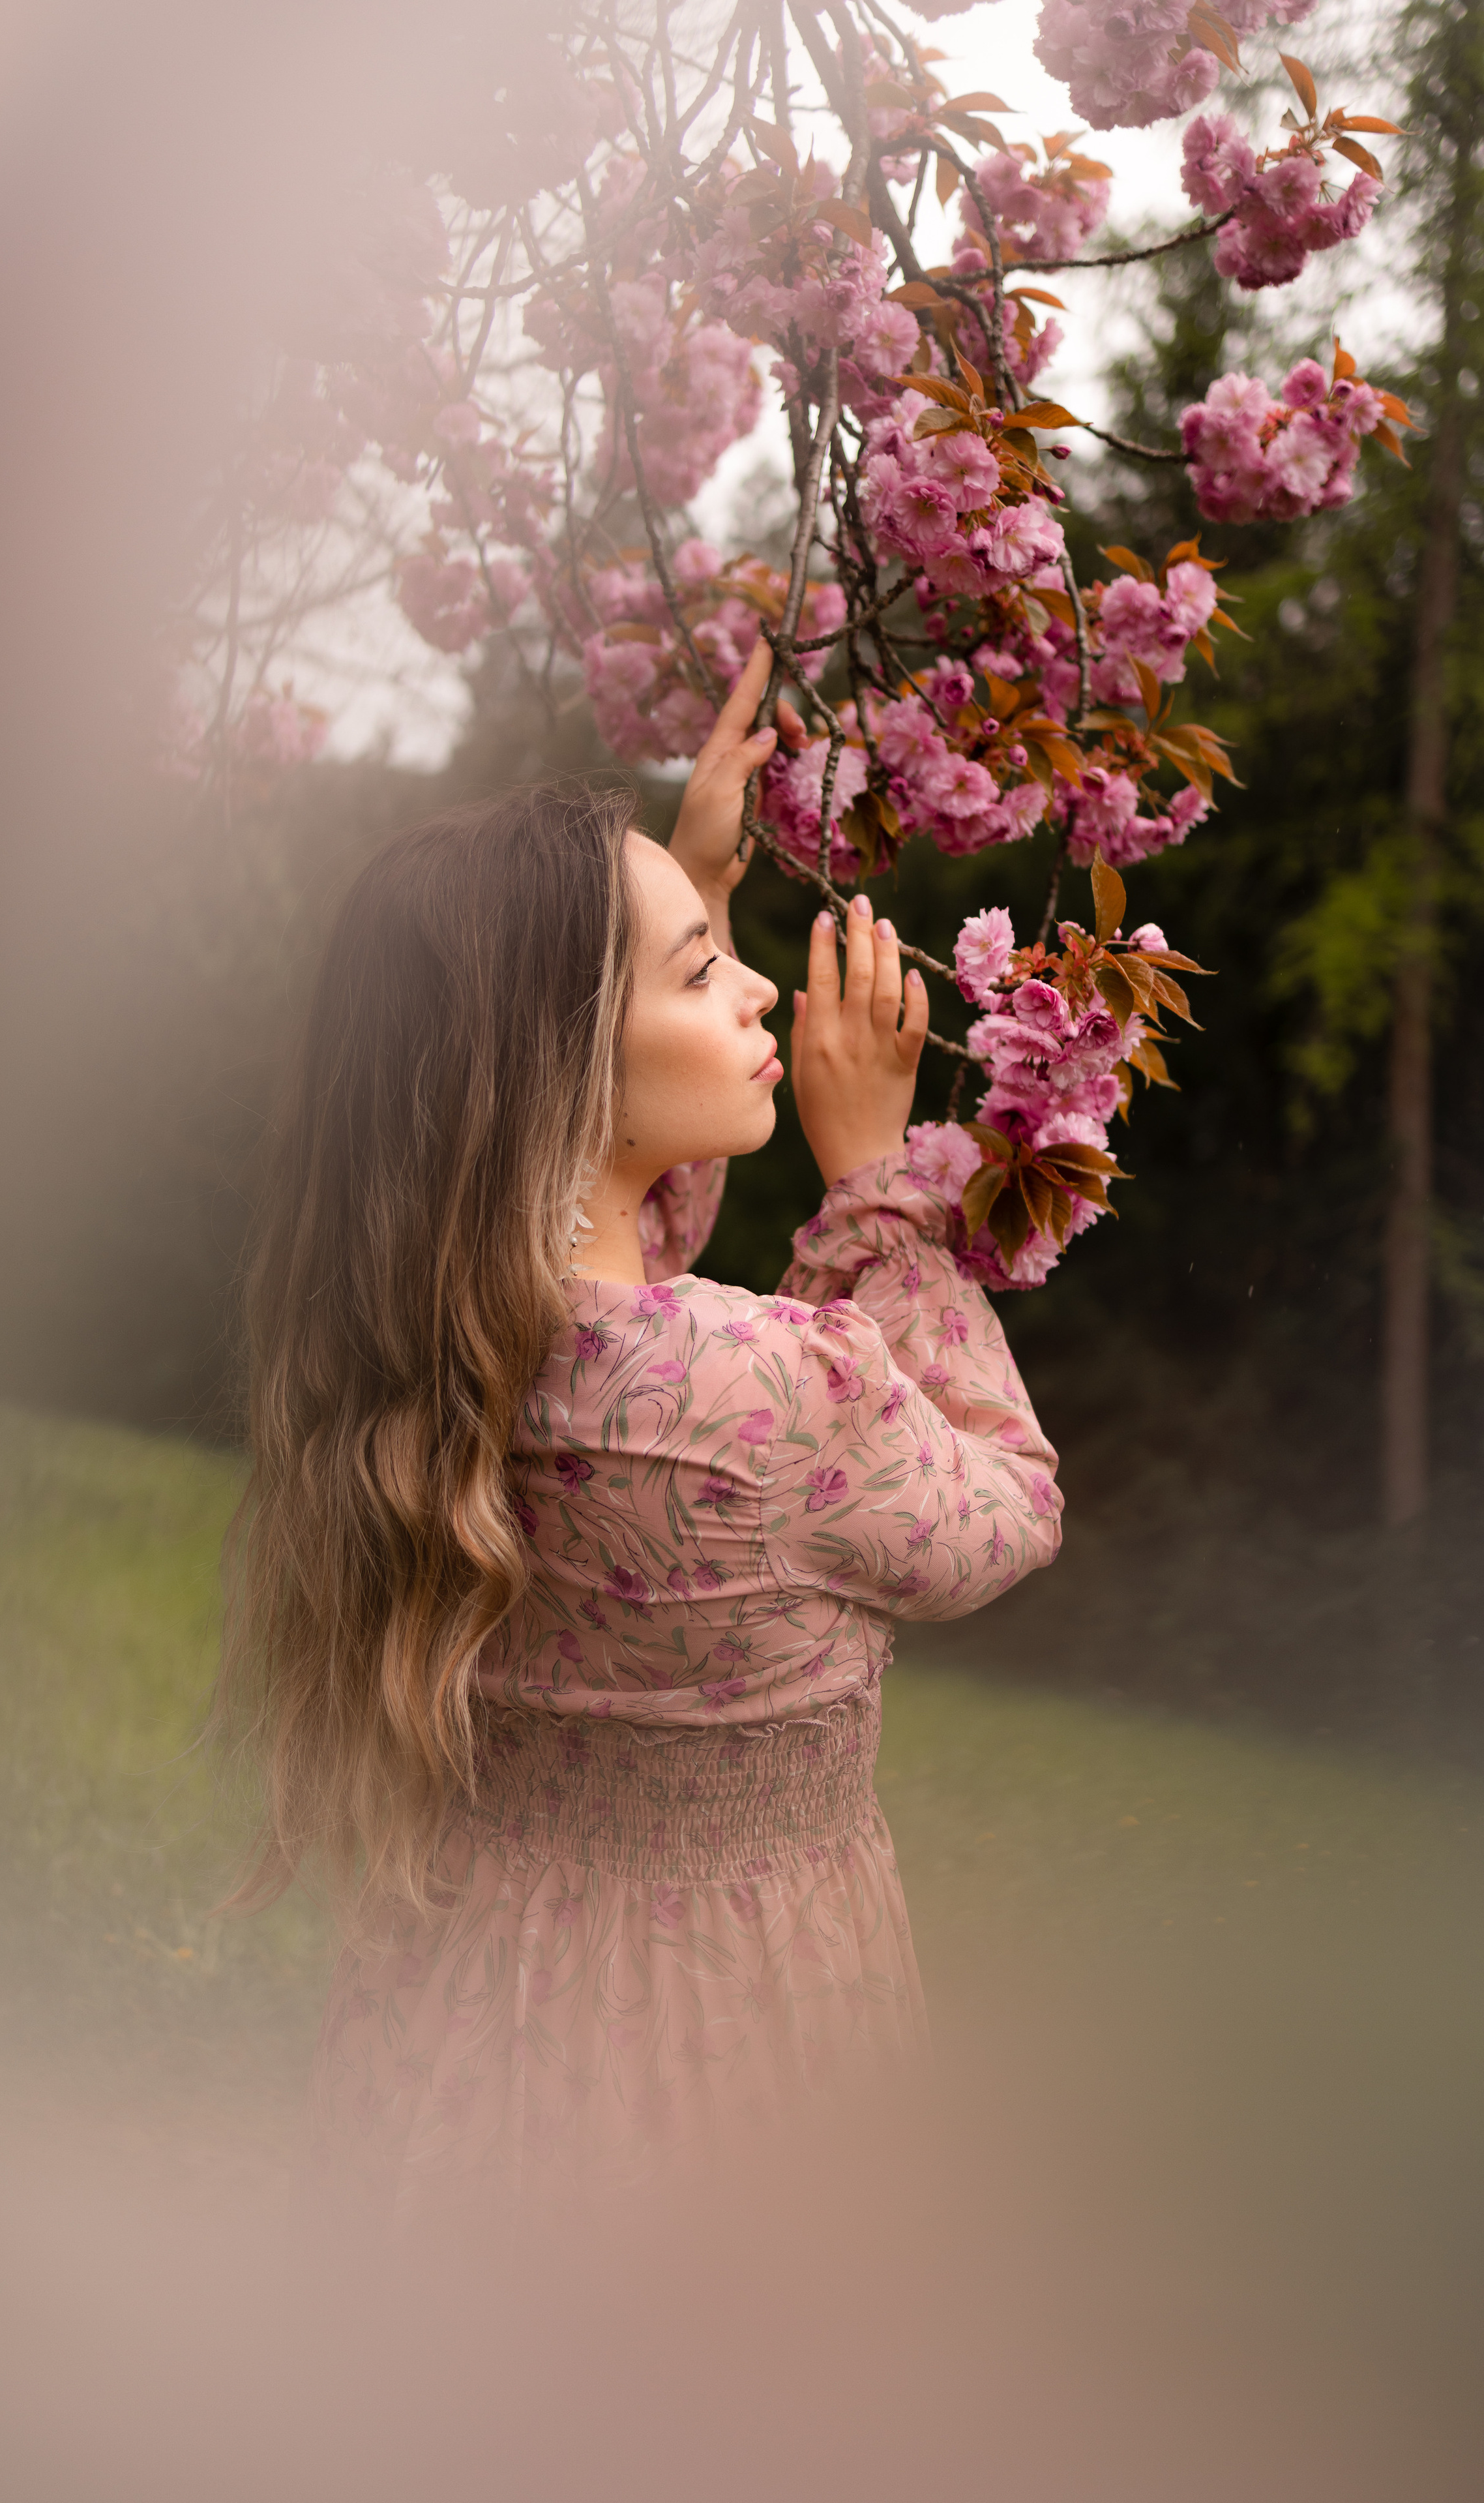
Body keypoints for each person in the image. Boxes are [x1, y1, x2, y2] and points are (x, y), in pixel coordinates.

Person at [218, 640, 1061, 2210]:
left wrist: (690, 888)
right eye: (695, 974)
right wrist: (877, 1193)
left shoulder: (424, 1335)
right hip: (737, 2032)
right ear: (561, 1067)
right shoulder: (781, 1387)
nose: (755, 990)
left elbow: (620, 1242)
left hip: (471, 2006)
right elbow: (1004, 1504)